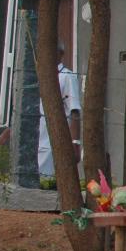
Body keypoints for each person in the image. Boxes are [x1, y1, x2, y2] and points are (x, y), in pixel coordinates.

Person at [37, 44, 82, 177]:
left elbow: (75, 112)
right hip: (36, 144)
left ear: (60, 54)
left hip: (52, 147)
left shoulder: (66, 77)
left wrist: (75, 143)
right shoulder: (38, 76)